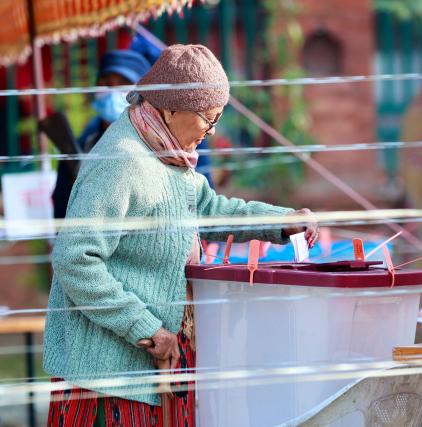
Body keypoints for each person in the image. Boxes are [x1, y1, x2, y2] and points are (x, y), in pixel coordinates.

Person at [43, 44, 318, 426]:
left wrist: (282, 221)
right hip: (110, 379)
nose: (212, 130)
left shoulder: (168, 155)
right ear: (172, 109)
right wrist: (146, 328)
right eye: (208, 118)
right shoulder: (123, 161)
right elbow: (75, 260)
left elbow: (208, 209)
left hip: (152, 365)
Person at [52, 49, 152, 219]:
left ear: (142, 93)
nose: (112, 92)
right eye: (106, 84)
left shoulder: (159, 143)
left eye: (123, 84)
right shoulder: (82, 146)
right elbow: (61, 209)